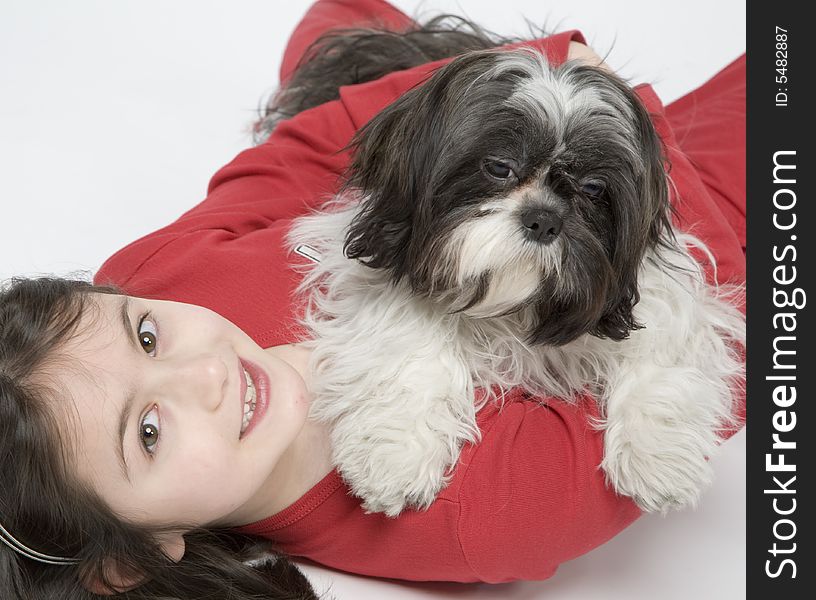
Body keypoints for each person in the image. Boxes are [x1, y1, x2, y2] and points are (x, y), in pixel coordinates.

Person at [0, 0, 745, 598]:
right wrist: (636, 129)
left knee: (334, 30)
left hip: (556, 148)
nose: (206, 373)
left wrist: (501, 91)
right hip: (709, 231)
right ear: (126, 564)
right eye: (150, 433)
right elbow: (726, 354)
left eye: (147, 338)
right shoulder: (480, 521)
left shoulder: (155, 276)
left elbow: (297, 152)